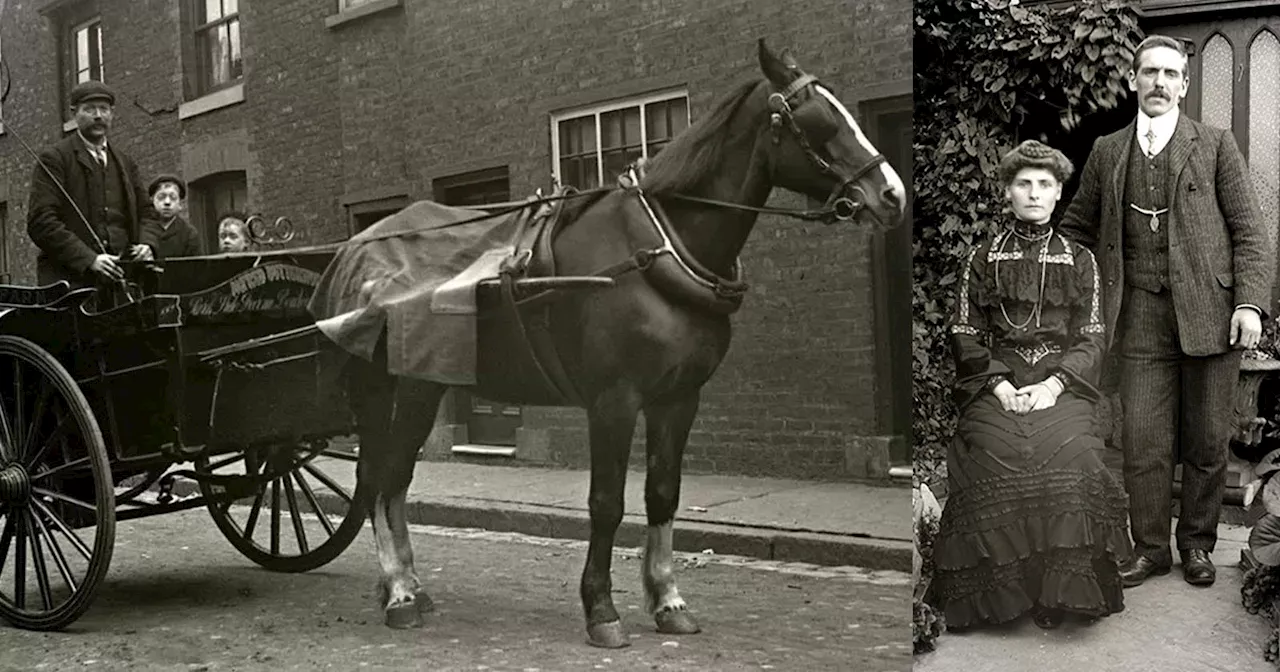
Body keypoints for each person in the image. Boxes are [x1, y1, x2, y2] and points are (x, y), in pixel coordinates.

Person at [1058, 35, 1276, 588]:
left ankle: (1197, 546)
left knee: (1206, 442)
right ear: (1133, 80)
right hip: (1138, 320)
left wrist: (1249, 304)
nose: (1158, 83)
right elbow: (1077, 229)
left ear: (1183, 84)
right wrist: (1074, 287)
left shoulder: (1216, 144)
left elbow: (1251, 232)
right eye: (1148, 72)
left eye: (1169, 74)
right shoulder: (1109, 150)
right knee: (1145, 443)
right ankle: (1150, 549)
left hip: (1211, 314)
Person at [932, 140, 1132, 631]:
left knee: (1074, 454)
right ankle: (1004, 593)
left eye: (1045, 184)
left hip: (1063, 387)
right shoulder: (982, 258)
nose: (1035, 193)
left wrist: (1054, 386)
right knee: (990, 452)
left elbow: (1092, 336)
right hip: (995, 383)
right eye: (1024, 183)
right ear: (1008, 191)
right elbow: (965, 331)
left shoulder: (1080, 260)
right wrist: (998, 385)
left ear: (1060, 191)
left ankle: (1059, 591)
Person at [26, 80, 158, 288]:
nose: (98, 115)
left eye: (104, 109)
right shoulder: (55, 159)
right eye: (89, 109)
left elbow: (148, 213)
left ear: (112, 114)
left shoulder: (125, 162)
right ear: (74, 113)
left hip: (124, 282)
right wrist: (89, 259)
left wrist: (147, 243)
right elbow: (41, 222)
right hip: (72, 285)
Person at [145, 174, 203, 258]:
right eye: (161, 197)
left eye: (173, 197)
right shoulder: (144, 229)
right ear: (152, 201)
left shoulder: (189, 234)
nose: (167, 202)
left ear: (180, 204)